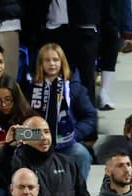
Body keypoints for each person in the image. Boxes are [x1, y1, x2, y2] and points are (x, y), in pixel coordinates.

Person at [27, 42, 97, 183]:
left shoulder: (74, 88)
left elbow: (90, 116)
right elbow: (22, 117)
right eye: (47, 60)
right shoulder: (30, 88)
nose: (52, 63)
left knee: (82, 154)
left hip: (66, 142)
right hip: (36, 141)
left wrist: (74, 133)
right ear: (40, 63)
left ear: (62, 62)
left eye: (55, 59)